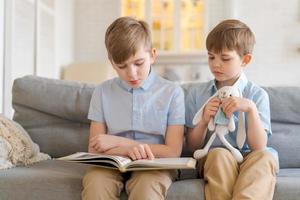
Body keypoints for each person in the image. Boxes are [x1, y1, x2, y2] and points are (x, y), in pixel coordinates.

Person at [81, 16, 185, 200]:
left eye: (138, 63)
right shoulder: (102, 92)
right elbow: (95, 149)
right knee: (96, 183)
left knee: (146, 187)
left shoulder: (172, 92)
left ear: (152, 55)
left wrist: (124, 144)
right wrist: (124, 150)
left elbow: (172, 151)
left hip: (155, 164)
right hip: (112, 163)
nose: (132, 73)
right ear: (112, 62)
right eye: (122, 66)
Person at [185, 19, 279, 200]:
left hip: (249, 156)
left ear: (245, 60)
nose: (216, 64)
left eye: (225, 58)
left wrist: (250, 110)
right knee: (219, 154)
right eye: (211, 57)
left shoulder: (257, 95)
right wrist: (204, 120)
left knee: (265, 158)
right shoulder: (198, 94)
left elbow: (259, 147)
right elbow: (192, 146)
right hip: (214, 156)